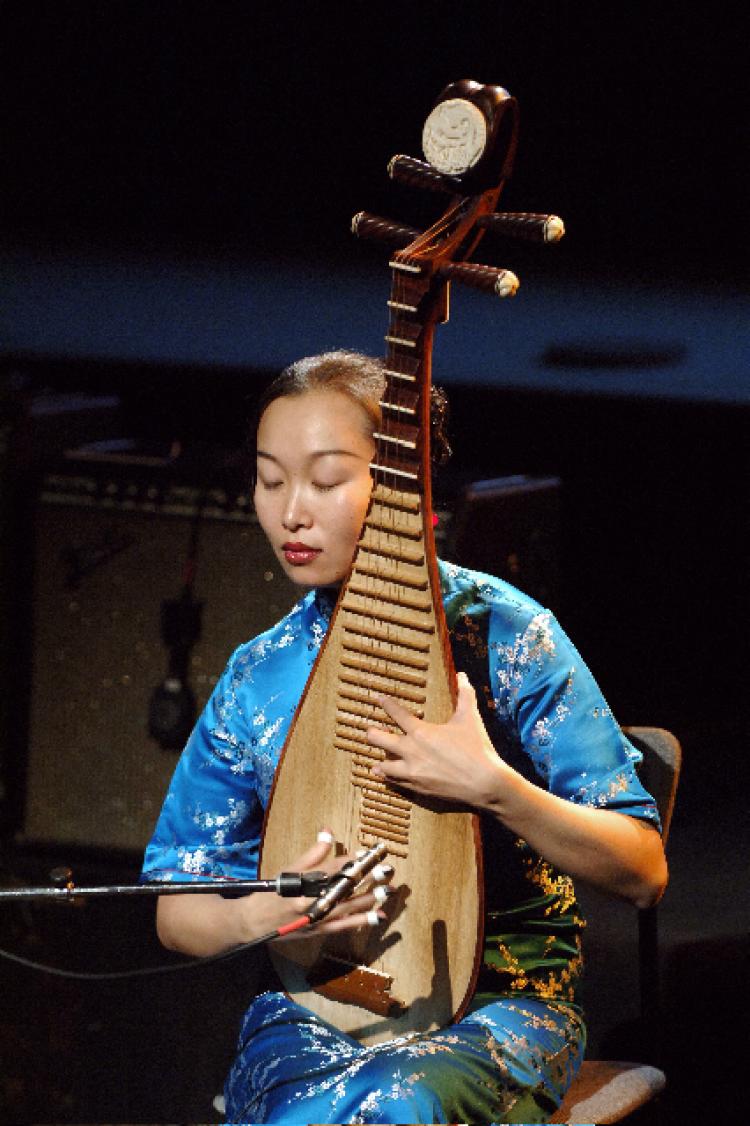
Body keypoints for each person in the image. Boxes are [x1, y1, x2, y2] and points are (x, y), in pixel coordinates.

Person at [141, 349, 668, 1125]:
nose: (291, 511)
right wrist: (263, 915)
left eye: (324, 481)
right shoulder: (258, 677)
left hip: (500, 1011)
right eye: (270, 478)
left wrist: (496, 788)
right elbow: (176, 911)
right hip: (321, 1006)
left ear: (399, 490)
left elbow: (642, 870)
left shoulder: (504, 636)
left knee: (395, 1108)